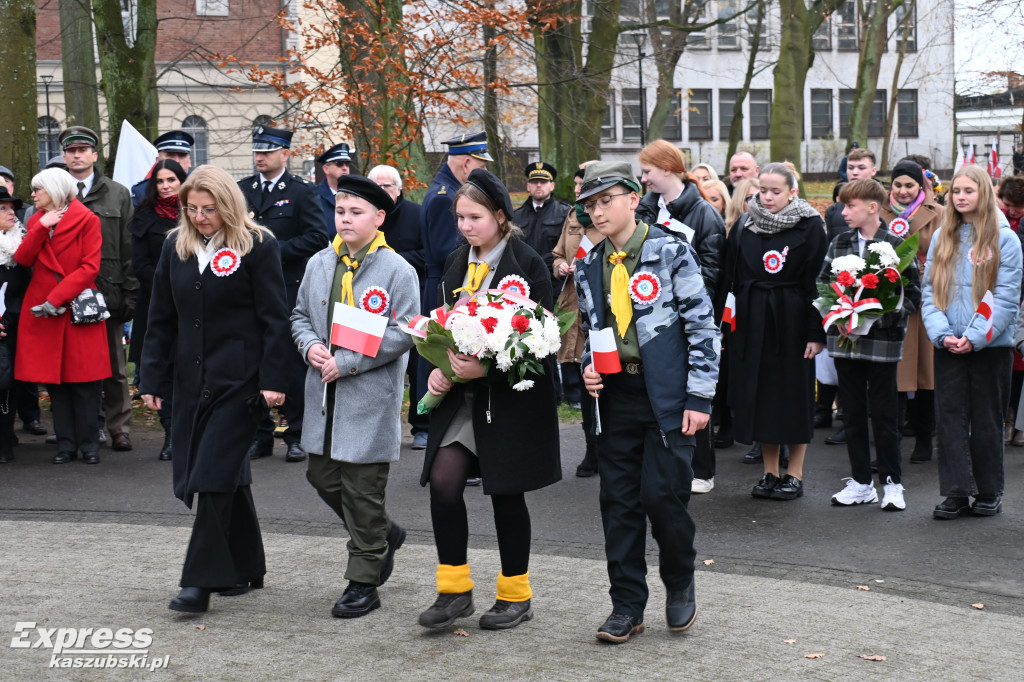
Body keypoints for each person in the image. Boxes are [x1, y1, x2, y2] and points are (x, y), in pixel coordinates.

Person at [575, 161, 720, 643]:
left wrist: (699, 396)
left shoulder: (671, 251)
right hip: (616, 397)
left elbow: (702, 327)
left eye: (606, 201)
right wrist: (588, 368)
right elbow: (591, 330)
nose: (597, 212)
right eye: (590, 205)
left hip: (669, 398)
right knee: (617, 503)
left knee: (663, 497)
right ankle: (626, 606)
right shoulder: (587, 263)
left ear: (633, 199)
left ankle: (679, 581)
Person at [140, 165, 292, 612]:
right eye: (192, 209)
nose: (201, 217)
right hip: (190, 381)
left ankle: (199, 583)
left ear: (228, 205)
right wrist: (151, 376)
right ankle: (246, 564)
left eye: (210, 209)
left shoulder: (259, 245)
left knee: (210, 475)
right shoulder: (176, 246)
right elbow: (161, 317)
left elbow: (274, 319)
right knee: (223, 475)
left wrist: (273, 381)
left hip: (239, 384)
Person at [417, 169, 560, 632]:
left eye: (474, 217)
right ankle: (454, 588)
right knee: (443, 480)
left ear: (500, 217)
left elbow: (542, 344)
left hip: (510, 400)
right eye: (459, 217)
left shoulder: (528, 263)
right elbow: (443, 327)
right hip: (463, 397)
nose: (464, 226)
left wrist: (488, 368)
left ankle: (515, 594)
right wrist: (441, 368)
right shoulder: (457, 261)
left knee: (505, 493)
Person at [291, 174, 418, 618]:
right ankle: (384, 533)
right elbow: (300, 314)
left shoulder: (398, 269)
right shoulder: (320, 263)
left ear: (379, 217)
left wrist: (347, 362)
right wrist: (308, 344)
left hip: (367, 395)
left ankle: (363, 581)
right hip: (323, 397)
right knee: (322, 477)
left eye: (356, 212)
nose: (345, 219)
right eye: (340, 211)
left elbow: (406, 331)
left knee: (362, 489)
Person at [922, 165, 1022, 520]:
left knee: (987, 420)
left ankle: (988, 491)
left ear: (983, 192)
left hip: (990, 347)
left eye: (968, 191)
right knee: (949, 419)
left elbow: (1005, 297)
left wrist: (975, 337)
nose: (961, 197)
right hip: (947, 342)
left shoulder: (1004, 239)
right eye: (956, 191)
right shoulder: (942, 237)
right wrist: (942, 333)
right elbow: (930, 292)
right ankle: (955, 492)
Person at [725, 162, 827, 500]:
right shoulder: (744, 224)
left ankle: (794, 474)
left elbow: (817, 281)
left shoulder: (811, 225)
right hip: (753, 319)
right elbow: (732, 275)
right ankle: (769, 472)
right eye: (762, 191)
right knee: (762, 394)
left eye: (775, 192)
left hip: (793, 318)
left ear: (792, 193)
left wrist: (816, 332)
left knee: (792, 395)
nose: (766, 198)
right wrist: (727, 325)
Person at [819, 179, 921, 511]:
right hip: (845, 341)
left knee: (884, 413)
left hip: (882, 341)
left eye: (850, 206)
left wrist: (878, 311)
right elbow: (823, 284)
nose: (843, 211)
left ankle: (892, 483)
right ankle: (862, 482)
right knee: (852, 411)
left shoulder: (895, 243)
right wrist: (838, 311)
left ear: (872, 208)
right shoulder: (839, 242)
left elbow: (913, 295)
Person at [635, 139, 725, 494]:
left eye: (648, 171)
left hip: (686, 315)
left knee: (693, 389)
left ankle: (701, 468)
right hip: (648, 316)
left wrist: (681, 297)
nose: (643, 179)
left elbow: (713, 271)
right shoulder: (645, 209)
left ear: (668, 169)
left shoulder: (703, 212)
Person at [238, 125, 329, 462]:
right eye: (257, 151)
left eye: (267, 151)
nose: (259, 157)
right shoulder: (241, 190)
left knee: (290, 361)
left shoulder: (303, 192)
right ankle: (259, 434)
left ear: (285, 154)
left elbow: (318, 237)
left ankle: (295, 434)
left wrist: (272, 249)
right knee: (252, 359)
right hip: (247, 289)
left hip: (286, 289)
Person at [14, 168, 111, 464]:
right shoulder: (35, 220)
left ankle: (90, 445)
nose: (32, 195)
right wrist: (41, 226)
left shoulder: (87, 220)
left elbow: (89, 267)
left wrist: (55, 298)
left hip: (75, 307)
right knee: (56, 384)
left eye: (37, 190)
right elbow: (23, 259)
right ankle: (66, 445)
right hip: (44, 312)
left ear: (54, 190)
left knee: (84, 382)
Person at [61, 126, 138, 452]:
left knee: (114, 367)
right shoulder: (57, 191)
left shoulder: (117, 193)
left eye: (83, 150)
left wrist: (131, 291)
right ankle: (86, 428)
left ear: (95, 155)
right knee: (74, 366)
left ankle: (119, 427)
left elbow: (128, 245)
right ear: (64, 156)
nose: (77, 155)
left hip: (107, 291)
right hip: (66, 294)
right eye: (71, 150)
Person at [416, 131, 492, 455]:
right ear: (466, 163)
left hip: (443, 281)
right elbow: (453, 251)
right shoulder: (445, 197)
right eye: (481, 166)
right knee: (444, 356)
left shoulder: (443, 190)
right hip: (446, 285)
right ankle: (442, 438)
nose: (484, 173)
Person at [881, 160, 944, 463]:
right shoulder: (880, 213)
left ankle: (923, 438)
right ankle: (888, 446)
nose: (903, 191)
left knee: (925, 377)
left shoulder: (940, 215)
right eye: (898, 185)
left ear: (921, 186)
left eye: (910, 185)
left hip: (927, 305)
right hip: (891, 304)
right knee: (893, 378)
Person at [367, 164, 429, 449]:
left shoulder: (417, 214)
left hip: (409, 298)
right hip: (369, 304)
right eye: (376, 186)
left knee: (416, 364)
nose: (382, 191)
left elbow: (427, 254)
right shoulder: (364, 216)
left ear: (399, 189)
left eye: (387, 186)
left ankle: (422, 426)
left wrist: (390, 260)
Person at [129, 159, 187, 462]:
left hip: (193, 304)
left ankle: (190, 431)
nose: (166, 186)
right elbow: (139, 263)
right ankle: (170, 435)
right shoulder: (144, 216)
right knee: (162, 372)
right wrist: (167, 290)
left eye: (171, 180)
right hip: (157, 304)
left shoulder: (195, 213)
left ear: (182, 181)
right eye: (160, 181)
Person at [551, 167, 605, 476]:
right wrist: (560, 268)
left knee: (605, 382)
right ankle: (591, 450)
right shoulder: (573, 215)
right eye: (575, 185)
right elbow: (558, 253)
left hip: (600, 309)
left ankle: (610, 446)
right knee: (586, 384)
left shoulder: (607, 218)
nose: (576, 189)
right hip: (573, 308)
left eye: (582, 185)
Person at [0, 187, 31, 463]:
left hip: (13, 324)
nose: (11, 213)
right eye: (3, 208)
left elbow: (25, 287)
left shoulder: (22, 244)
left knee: (8, 384)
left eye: (12, 208)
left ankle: (6, 440)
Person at [996, 175, 1024, 445]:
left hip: (1021, 298)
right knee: (1008, 361)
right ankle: (1007, 418)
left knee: (1020, 362)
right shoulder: (999, 221)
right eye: (1009, 204)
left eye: (1018, 206)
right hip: (1004, 296)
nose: (1013, 210)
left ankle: (1017, 422)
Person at [512, 162, 571, 283]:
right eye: (534, 182)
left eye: (543, 182)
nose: (539, 185)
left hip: (554, 280)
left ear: (552, 186)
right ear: (528, 186)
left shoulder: (565, 213)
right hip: (522, 280)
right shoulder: (515, 216)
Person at [825, 147, 878, 242]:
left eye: (861, 168)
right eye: (850, 168)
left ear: (873, 171)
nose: (855, 172)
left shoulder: (886, 205)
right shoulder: (833, 210)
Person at [130, 130, 194, 206]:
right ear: (158, 161)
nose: (177, 161)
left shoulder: (200, 186)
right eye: (170, 155)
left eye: (182, 155)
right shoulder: (142, 191)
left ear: (189, 161)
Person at [315, 143, 353, 237]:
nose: (344, 168)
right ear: (326, 169)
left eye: (347, 164)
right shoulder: (315, 196)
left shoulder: (357, 194)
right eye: (339, 164)